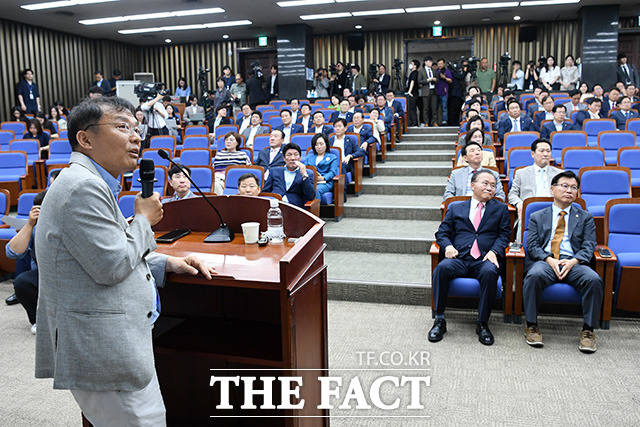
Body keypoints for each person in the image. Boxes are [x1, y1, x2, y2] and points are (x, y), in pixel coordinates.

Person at [34, 96, 215, 426]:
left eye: (137, 128)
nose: (136, 137)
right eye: (122, 126)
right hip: (101, 348)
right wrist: (144, 221)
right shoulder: (82, 188)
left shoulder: (91, 182)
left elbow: (100, 252)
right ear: (85, 139)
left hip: (116, 342)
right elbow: (111, 265)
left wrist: (164, 264)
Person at [522, 170, 602, 353]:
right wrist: (549, 259)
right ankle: (532, 325)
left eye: (574, 188)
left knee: (594, 280)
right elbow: (533, 246)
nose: (569, 191)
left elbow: (589, 246)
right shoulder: (537, 216)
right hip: (546, 260)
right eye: (564, 186)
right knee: (534, 276)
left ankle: (588, 331)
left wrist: (573, 261)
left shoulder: (585, 217)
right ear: (552, 189)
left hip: (573, 262)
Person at [429, 169, 511, 346]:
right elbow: (442, 233)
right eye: (485, 183)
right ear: (472, 185)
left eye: (493, 185)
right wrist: (448, 246)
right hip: (459, 257)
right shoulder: (456, 207)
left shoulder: (501, 209)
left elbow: (505, 236)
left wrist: (494, 251)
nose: (490, 188)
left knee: (490, 272)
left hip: (484, 259)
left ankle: (482, 323)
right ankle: (440, 320)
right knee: (441, 268)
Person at [6, 190, 46, 334]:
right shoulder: (35, 227)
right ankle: (37, 320)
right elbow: (11, 252)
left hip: (71, 275)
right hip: (45, 274)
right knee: (22, 281)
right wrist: (29, 225)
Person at [508, 138, 563, 222]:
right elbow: (512, 194)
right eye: (542, 151)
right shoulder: (521, 173)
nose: (545, 154)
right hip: (530, 211)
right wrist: (520, 204)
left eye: (548, 151)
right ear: (533, 154)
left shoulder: (560, 174)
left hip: (553, 210)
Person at [262, 143, 315, 207]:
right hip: (274, 206)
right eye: (289, 155)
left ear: (300, 158)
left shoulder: (308, 173)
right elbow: (265, 192)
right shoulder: (274, 171)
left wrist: (304, 175)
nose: (293, 158)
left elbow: (310, 196)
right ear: (284, 158)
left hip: (294, 208)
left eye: (296, 155)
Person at [304, 134, 338, 200]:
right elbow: (305, 169)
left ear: (326, 144)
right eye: (316, 144)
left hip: (325, 182)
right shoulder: (309, 156)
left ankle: (314, 210)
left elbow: (332, 172)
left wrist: (323, 178)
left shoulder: (332, 157)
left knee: (315, 189)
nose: (319, 147)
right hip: (311, 181)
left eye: (321, 144)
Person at [418, 57, 438, 126]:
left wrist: (435, 79)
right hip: (425, 91)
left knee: (434, 107)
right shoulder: (421, 71)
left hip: (434, 90)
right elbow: (419, 81)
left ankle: (434, 122)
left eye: (431, 62)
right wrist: (428, 80)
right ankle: (426, 122)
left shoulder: (434, 70)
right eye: (429, 62)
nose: (430, 63)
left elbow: (438, 79)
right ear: (425, 62)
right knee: (425, 108)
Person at [434, 59, 452, 125]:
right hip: (436, 92)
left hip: (444, 92)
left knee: (444, 107)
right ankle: (436, 122)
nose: (440, 65)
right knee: (436, 108)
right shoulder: (436, 71)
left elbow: (450, 80)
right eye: (438, 64)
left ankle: (444, 121)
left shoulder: (447, 71)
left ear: (444, 64)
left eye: (441, 63)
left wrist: (444, 77)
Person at [406, 60, 420, 126]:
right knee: (411, 108)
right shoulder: (412, 72)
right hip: (413, 92)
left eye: (411, 63)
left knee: (412, 109)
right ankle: (413, 122)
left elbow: (412, 81)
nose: (410, 65)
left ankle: (414, 123)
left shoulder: (415, 72)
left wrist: (409, 91)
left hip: (413, 93)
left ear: (415, 66)